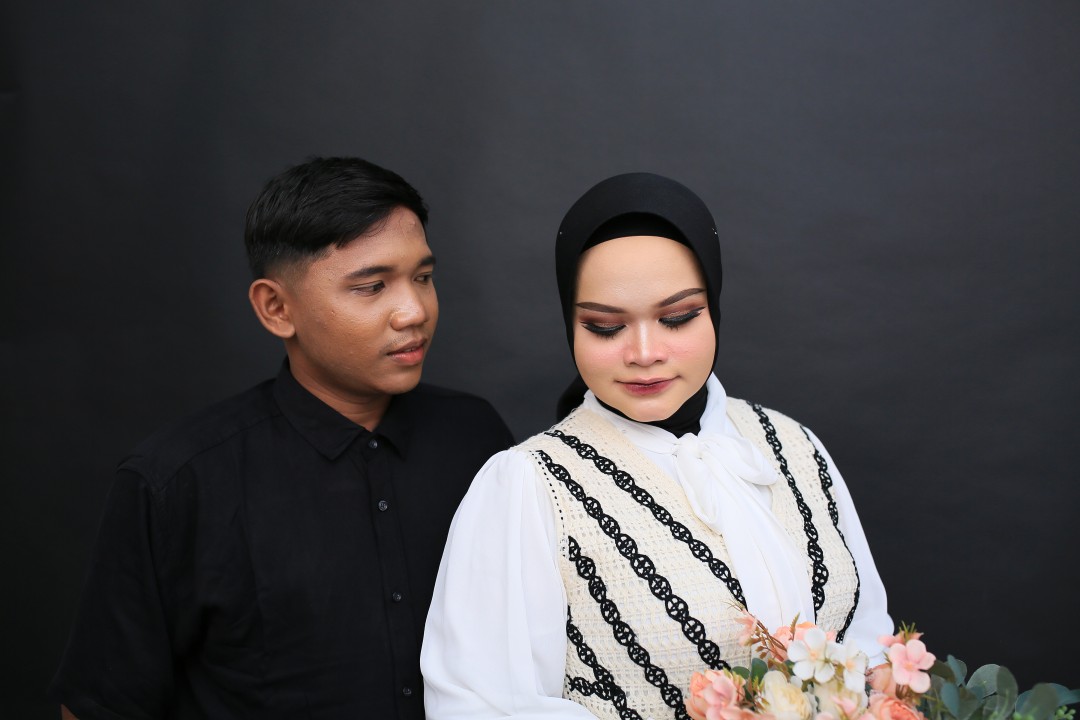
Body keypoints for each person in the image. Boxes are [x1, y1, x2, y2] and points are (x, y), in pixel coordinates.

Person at [50, 156, 514, 720]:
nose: (414, 311)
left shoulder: (475, 438)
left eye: (422, 277)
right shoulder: (178, 480)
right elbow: (99, 703)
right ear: (276, 308)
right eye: (371, 286)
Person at [421, 172, 892, 720]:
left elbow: (870, 641)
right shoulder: (528, 486)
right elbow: (482, 706)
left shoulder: (793, 446)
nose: (644, 353)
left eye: (677, 317)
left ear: (714, 307)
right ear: (570, 325)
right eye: (604, 326)